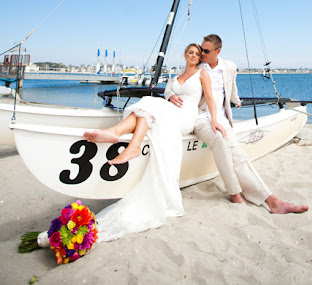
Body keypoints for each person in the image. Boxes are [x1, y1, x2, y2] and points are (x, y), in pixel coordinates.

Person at [84, 43, 225, 241]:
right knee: (149, 107)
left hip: (186, 116)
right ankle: (128, 142)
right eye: (190, 52)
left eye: (197, 53)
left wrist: (215, 120)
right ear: (185, 55)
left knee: (149, 104)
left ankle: (118, 134)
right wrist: (172, 94)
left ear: (200, 58)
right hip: (171, 111)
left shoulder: (202, 74)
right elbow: (167, 93)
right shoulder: (173, 78)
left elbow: (210, 98)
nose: (194, 55)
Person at [168, 34, 308, 214]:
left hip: (223, 119)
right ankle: (235, 192)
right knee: (219, 141)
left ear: (218, 51)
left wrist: (236, 100)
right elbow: (176, 84)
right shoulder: (197, 67)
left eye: (206, 50)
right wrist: (170, 96)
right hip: (201, 118)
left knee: (239, 157)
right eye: (201, 49)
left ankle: (272, 200)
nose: (202, 53)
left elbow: (231, 86)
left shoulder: (229, 67)